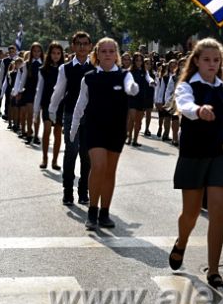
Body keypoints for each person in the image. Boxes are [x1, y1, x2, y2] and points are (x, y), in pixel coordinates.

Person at [169, 38, 223, 292]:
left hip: (217, 156)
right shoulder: (186, 86)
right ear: (196, 61)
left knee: (218, 213)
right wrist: (199, 111)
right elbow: (185, 106)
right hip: (192, 154)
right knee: (191, 212)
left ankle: (214, 271)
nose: (212, 64)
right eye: (206, 60)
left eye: (216, 60)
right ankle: (182, 241)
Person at [70, 37, 139, 230]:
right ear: (97, 54)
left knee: (110, 171)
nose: (107, 54)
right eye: (104, 51)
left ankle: (104, 213)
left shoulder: (125, 75)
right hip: (95, 128)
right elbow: (80, 104)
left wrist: (133, 88)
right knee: (98, 166)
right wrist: (73, 128)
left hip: (116, 130)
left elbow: (131, 88)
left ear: (116, 55)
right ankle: (92, 211)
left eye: (111, 51)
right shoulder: (89, 77)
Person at [49, 32, 94, 206]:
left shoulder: (96, 67)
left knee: (86, 155)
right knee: (71, 152)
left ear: (90, 46)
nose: (82, 47)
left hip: (90, 116)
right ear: (73, 46)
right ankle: (68, 192)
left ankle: (84, 191)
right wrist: (52, 110)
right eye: (79, 44)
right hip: (70, 115)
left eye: (85, 44)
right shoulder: (65, 68)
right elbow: (58, 91)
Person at [34, 42, 65, 170]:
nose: (56, 56)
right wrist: (36, 111)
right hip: (47, 103)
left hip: (61, 104)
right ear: (49, 54)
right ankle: (45, 158)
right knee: (47, 130)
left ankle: (55, 160)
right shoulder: (43, 70)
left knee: (58, 133)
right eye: (53, 53)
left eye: (58, 53)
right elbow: (39, 89)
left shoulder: (65, 69)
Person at [14, 43, 44, 144]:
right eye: (34, 51)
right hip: (29, 91)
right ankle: (29, 135)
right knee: (30, 114)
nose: (36, 53)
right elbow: (23, 79)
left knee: (37, 115)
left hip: (39, 91)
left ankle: (36, 135)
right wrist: (19, 91)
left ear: (41, 52)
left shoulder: (44, 63)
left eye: (38, 51)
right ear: (31, 52)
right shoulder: (27, 64)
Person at [126, 52, 153, 147]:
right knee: (132, 118)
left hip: (142, 98)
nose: (139, 62)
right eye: (137, 60)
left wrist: (152, 82)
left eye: (140, 60)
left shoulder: (144, 71)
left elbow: (148, 78)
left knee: (138, 121)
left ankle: (135, 140)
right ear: (134, 61)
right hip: (132, 97)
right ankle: (129, 138)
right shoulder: (130, 72)